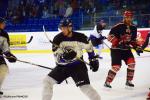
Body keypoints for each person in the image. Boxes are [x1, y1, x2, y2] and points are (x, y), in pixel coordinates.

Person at [42, 18, 101, 100]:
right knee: (47, 81)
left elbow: (89, 48)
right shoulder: (57, 39)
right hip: (63, 67)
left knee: (85, 87)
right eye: (61, 28)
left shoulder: (81, 37)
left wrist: (93, 59)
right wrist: (64, 57)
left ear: (70, 27)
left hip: (78, 66)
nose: (62, 30)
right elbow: (57, 59)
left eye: (64, 28)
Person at [104, 11, 143, 88]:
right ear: (124, 17)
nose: (128, 19)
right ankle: (107, 82)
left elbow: (133, 40)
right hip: (116, 50)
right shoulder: (118, 26)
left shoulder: (134, 28)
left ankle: (129, 81)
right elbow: (109, 36)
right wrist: (118, 42)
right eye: (127, 17)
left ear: (132, 18)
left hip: (126, 50)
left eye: (130, 17)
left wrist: (137, 47)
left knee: (132, 64)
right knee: (116, 67)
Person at [0, 17, 17, 95]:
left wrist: (9, 55)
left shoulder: (4, 34)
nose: (4, 24)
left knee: (3, 68)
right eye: (3, 23)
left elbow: (5, 47)